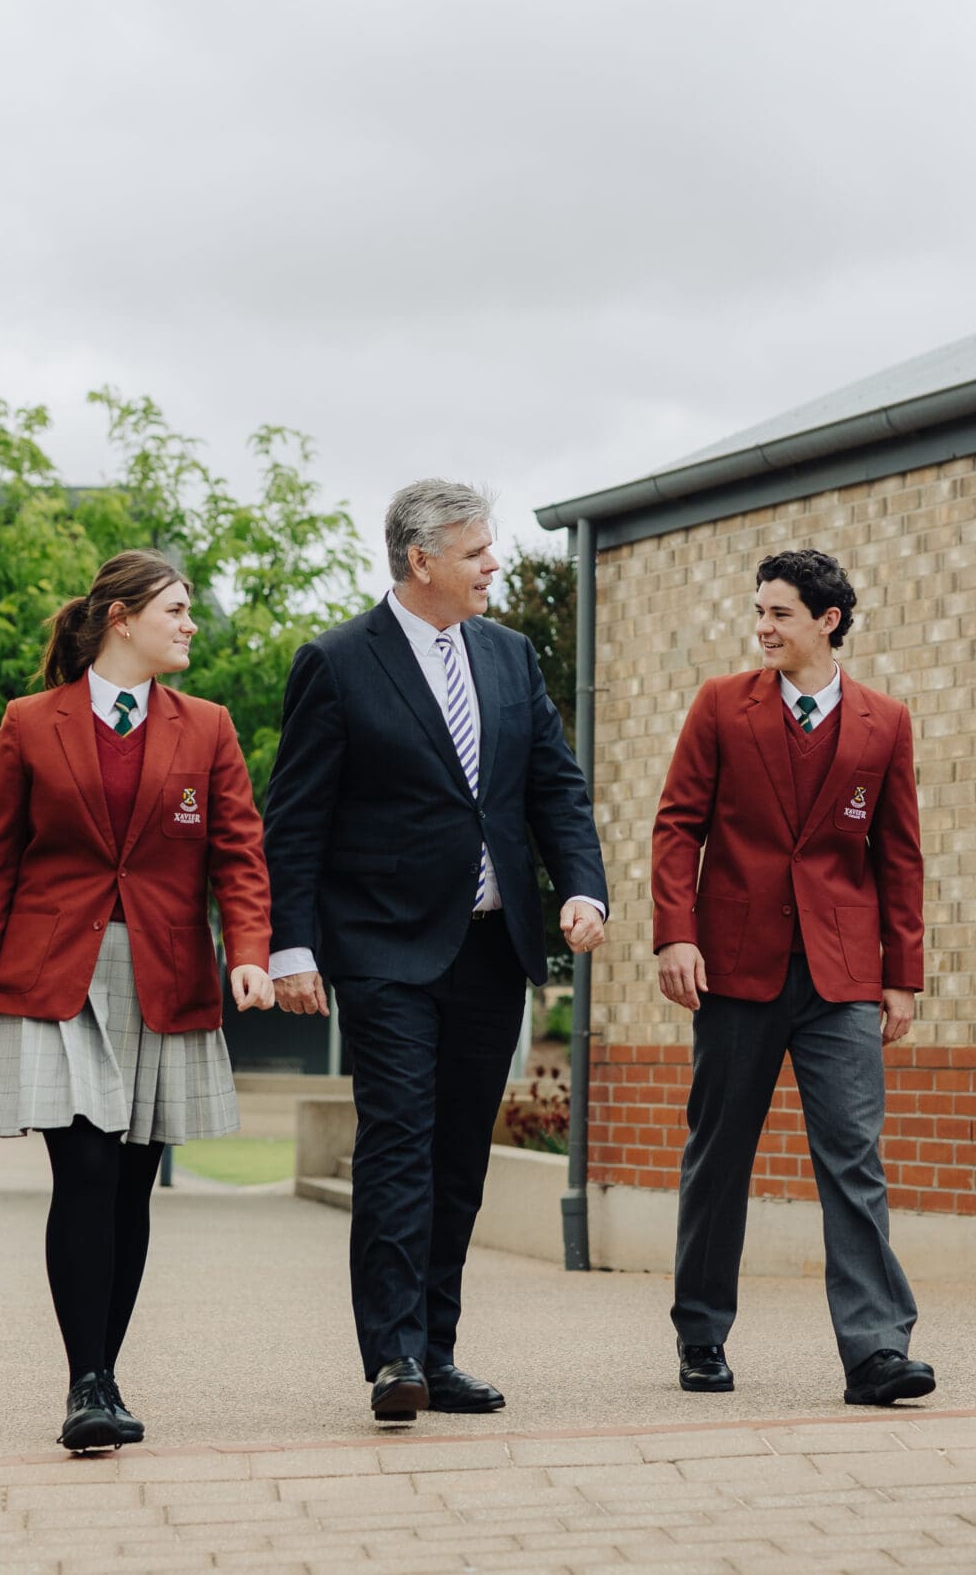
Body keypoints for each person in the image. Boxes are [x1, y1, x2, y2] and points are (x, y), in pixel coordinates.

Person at [262, 479, 607, 1423]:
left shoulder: (510, 655)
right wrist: (291, 944)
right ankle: (394, 1355)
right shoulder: (335, 663)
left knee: (459, 1156)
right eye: (477, 551)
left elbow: (554, 789)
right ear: (422, 562)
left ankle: (439, 1349)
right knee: (401, 1143)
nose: (494, 563)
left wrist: (581, 885)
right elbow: (294, 821)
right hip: (385, 951)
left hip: (494, 950)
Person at [0, 550, 275, 1453]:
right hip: (52, 978)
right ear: (122, 618)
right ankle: (85, 1381)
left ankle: (105, 1370)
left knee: (131, 1187)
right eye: (176, 607)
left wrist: (249, 952)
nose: (191, 623)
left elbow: (239, 857)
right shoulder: (29, 723)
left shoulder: (208, 728)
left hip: (166, 978)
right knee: (84, 1171)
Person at [651, 548, 935, 1407]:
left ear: (828, 620)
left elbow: (899, 854)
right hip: (737, 967)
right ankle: (701, 1333)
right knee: (720, 1155)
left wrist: (902, 974)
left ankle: (877, 1349)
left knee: (853, 1158)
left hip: (843, 974)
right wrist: (676, 935)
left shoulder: (885, 721)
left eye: (780, 613)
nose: (763, 626)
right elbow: (677, 826)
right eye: (759, 611)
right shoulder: (720, 707)